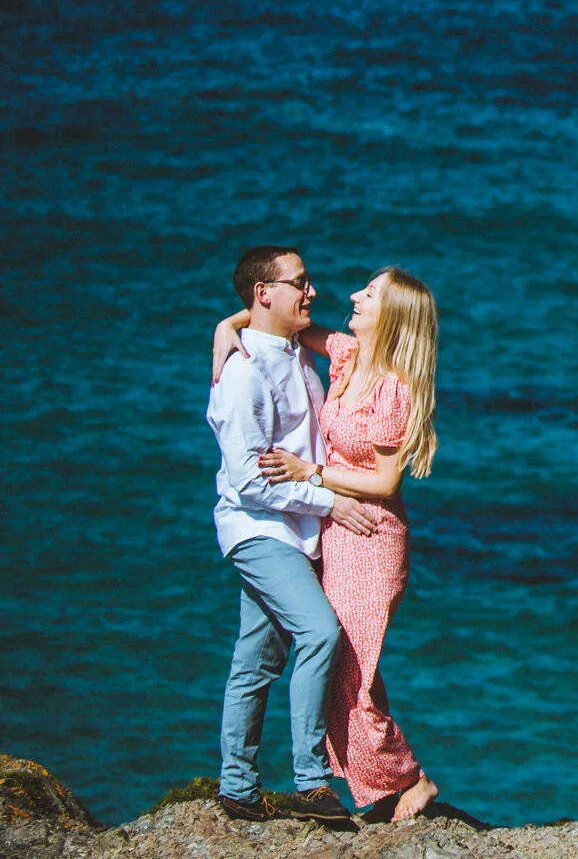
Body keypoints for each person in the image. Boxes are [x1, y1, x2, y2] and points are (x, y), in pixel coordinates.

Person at [215, 265, 443, 822]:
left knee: (352, 667)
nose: (351, 295)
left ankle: (405, 780)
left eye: (368, 293)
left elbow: (387, 483)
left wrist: (310, 473)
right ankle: (354, 784)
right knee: (328, 662)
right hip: (329, 528)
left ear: (389, 315)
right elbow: (278, 320)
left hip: (370, 534)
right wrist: (226, 327)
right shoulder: (343, 355)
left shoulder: (393, 388)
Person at [204, 245, 369, 826]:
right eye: (299, 283)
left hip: (298, 530)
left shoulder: (296, 349)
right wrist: (332, 502)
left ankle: (237, 788)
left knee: (256, 658)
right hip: (259, 528)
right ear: (264, 293)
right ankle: (309, 782)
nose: (312, 292)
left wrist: (228, 321)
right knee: (320, 632)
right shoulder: (243, 372)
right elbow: (250, 482)